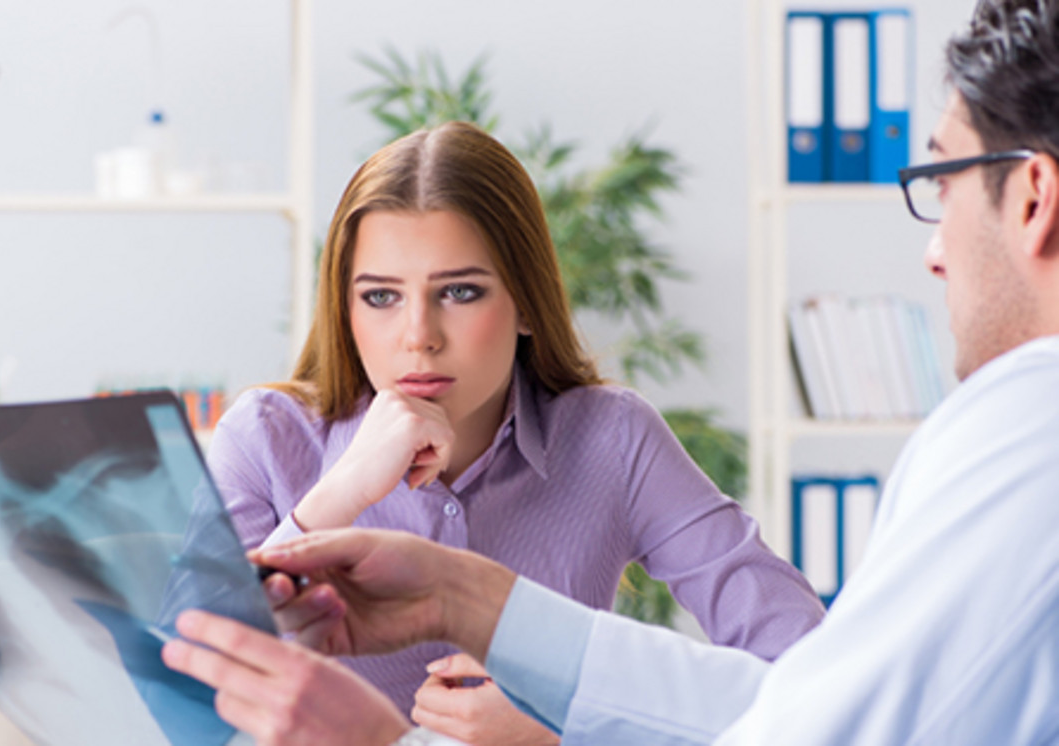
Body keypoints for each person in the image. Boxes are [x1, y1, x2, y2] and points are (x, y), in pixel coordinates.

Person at [202, 119, 825, 743]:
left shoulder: (612, 437)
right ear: (344, 307)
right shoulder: (262, 439)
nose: (419, 334)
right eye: (381, 297)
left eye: (460, 292)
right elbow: (191, 694)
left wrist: (568, 736)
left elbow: (813, 678)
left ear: (527, 303)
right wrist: (337, 497)